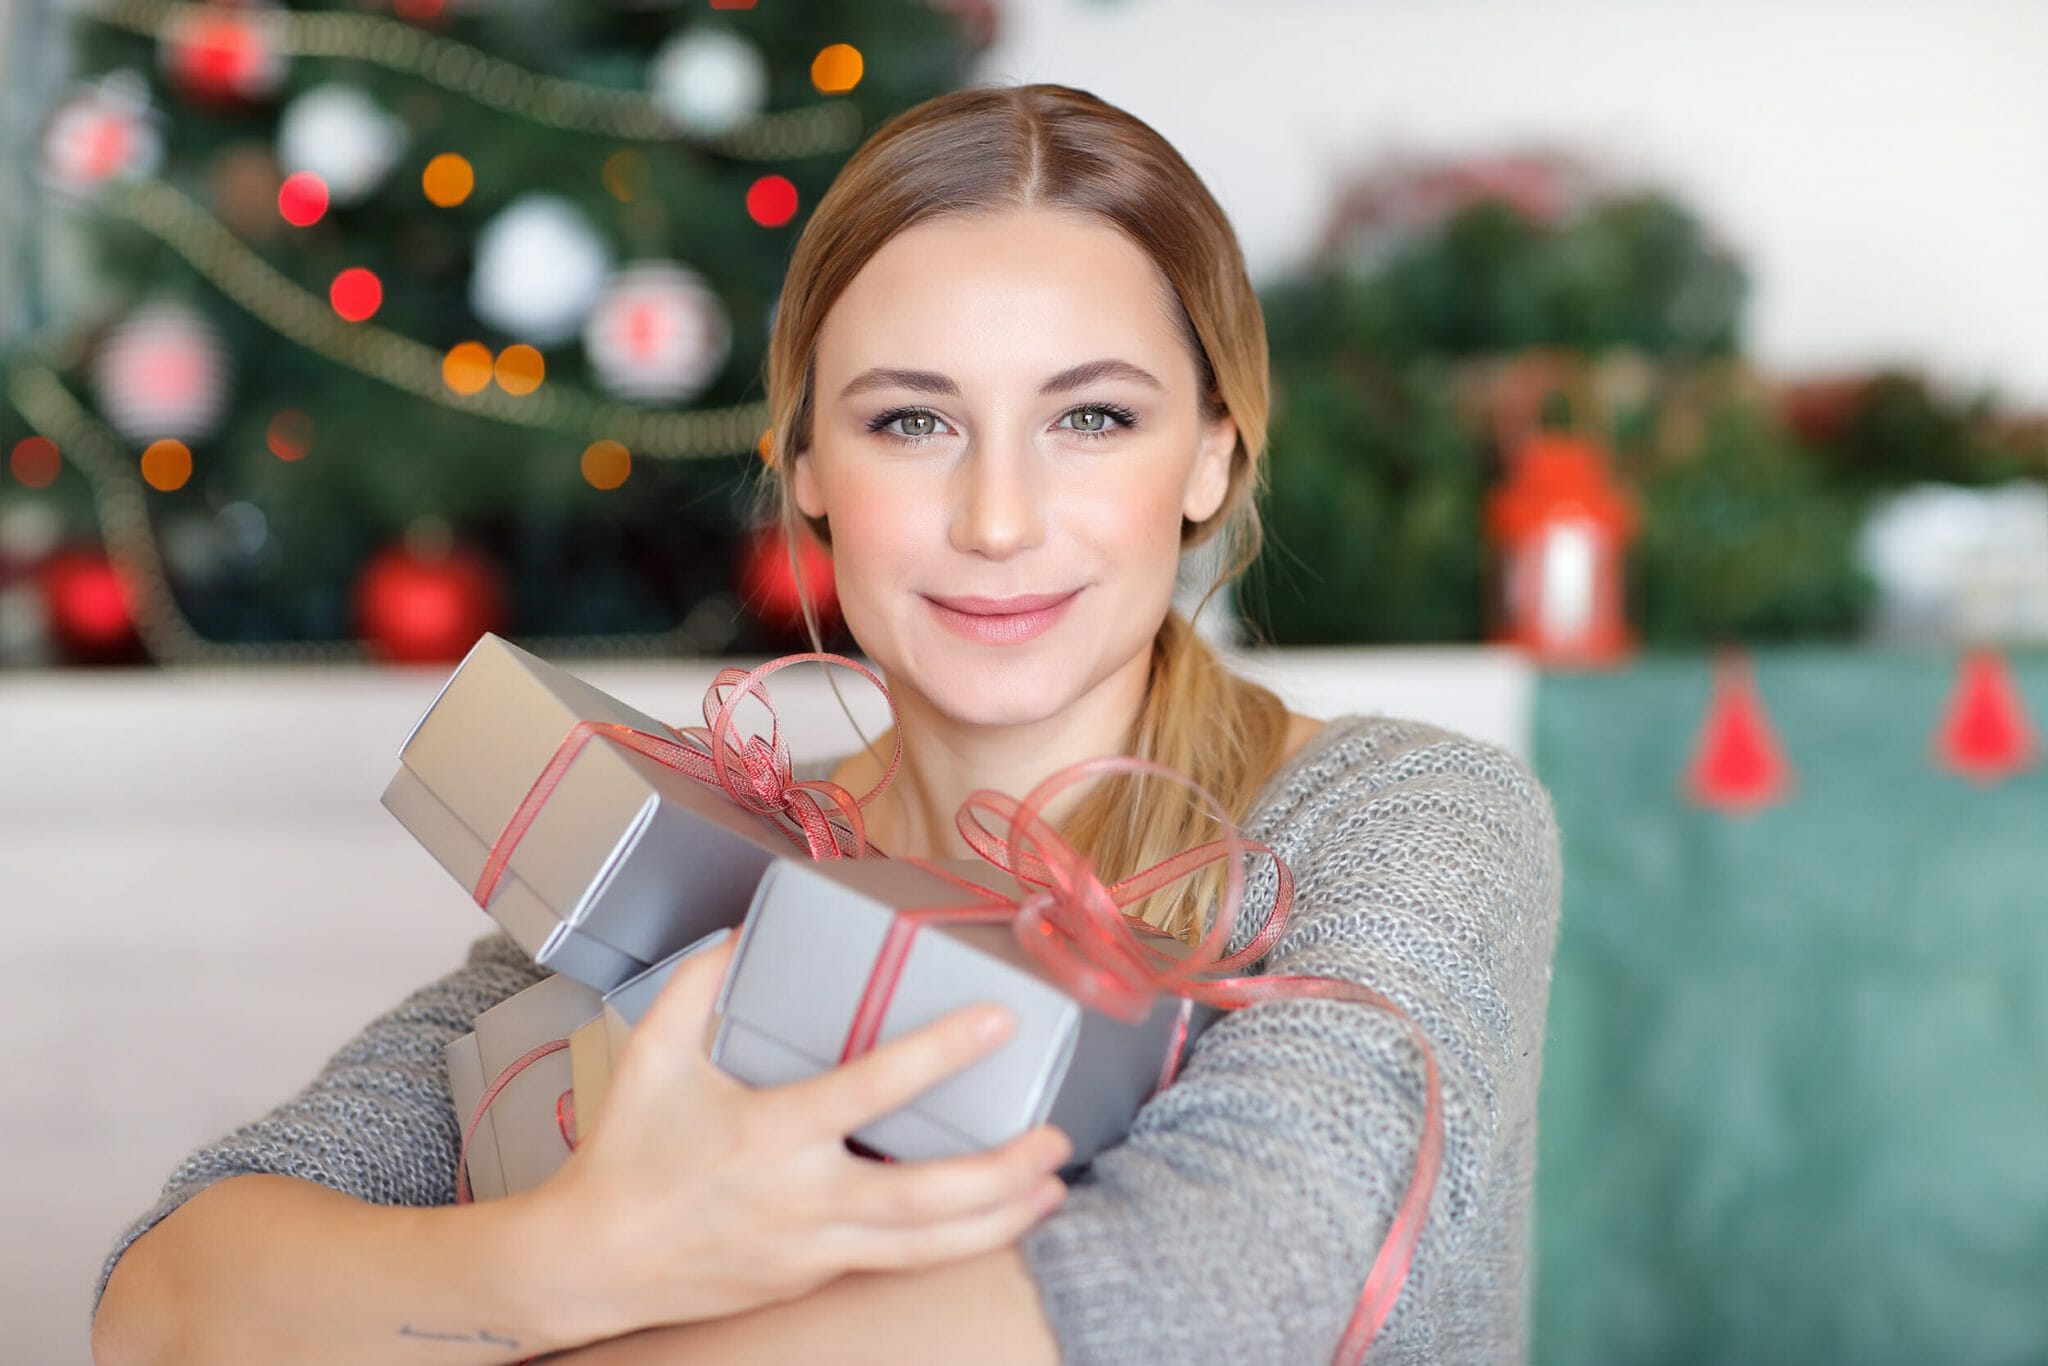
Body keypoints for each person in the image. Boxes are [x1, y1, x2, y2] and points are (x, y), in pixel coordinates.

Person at [90, 82, 1561, 1365]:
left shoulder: (1404, 822)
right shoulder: (698, 853)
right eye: (911, 421)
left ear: (1211, 454)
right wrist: (588, 1259)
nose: (996, 519)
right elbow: (165, 1308)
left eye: (1092, 417)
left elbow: (1210, 1303)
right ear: (804, 465)